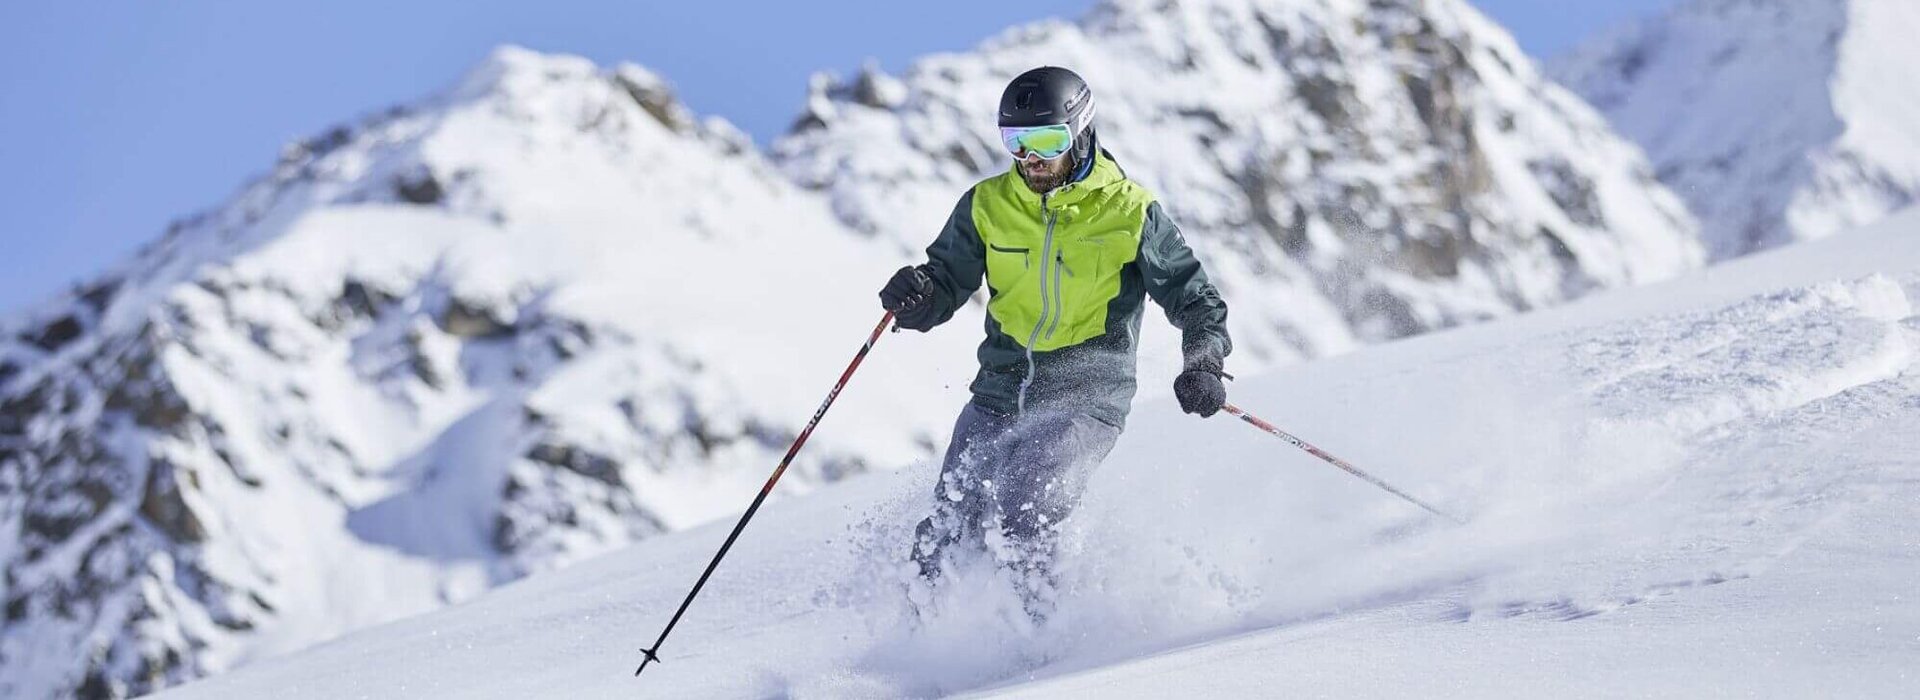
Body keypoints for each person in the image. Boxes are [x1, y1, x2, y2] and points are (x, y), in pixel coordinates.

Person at [879, 66, 1232, 614]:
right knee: (947, 528)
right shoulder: (987, 206)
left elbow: (1195, 298)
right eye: (1015, 143)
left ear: (1081, 132)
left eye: (1046, 140)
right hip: (998, 393)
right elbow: (944, 285)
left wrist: (1204, 361)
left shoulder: (1129, 211)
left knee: (1026, 505)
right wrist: (917, 296)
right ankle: (921, 652)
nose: (1031, 159)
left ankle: (1042, 646)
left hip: (1085, 399)